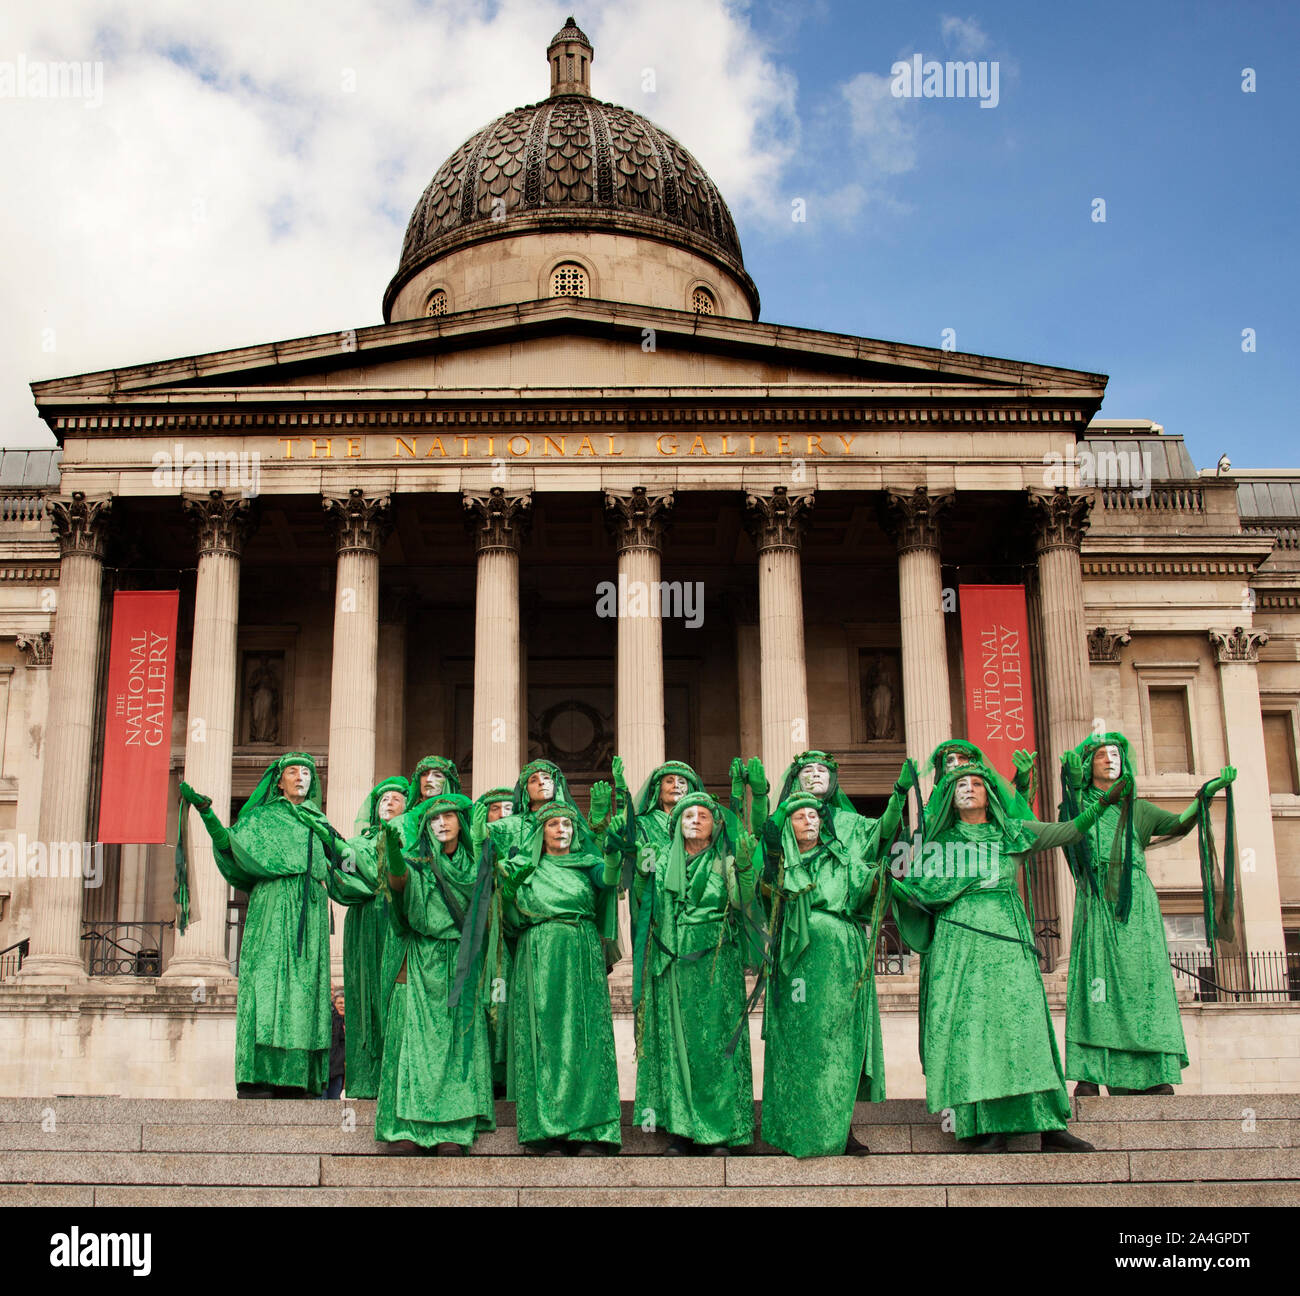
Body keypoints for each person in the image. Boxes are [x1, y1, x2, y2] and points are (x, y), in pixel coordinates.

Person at [892, 758, 1129, 1152]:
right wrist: (887, 884)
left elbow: (1067, 831)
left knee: (1025, 1028)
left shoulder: (1012, 834)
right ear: (949, 797)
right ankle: (989, 1126)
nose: (968, 788)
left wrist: (1100, 806)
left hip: (1007, 938)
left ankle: (1049, 1124)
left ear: (989, 793)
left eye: (976, 783)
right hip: (960, 946)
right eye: (959, 784)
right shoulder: (939, 845)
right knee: (975, 1034)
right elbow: (916, 894)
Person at [179, 752, 371, 1097]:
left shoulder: (318, 822)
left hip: (310, 914)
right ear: (279, 780)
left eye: (308, 772)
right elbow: (229, 846)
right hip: (272, 909)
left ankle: (297, 1079)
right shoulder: (262, 818)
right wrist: (208, 814)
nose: (302, 777)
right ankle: (259, 1077)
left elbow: (346, 864)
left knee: (305, 994)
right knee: (267, 990)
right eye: (293, 771)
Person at [1058, 732, 1238, 1097]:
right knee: (1097, 987)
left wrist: (1206, 794)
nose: (1111, 759)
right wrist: (1072, 786)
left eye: (1116, 754)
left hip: (1137, 903)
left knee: (1145, 987)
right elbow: (1068, 829)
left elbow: (1178, 825)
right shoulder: (1079, 807)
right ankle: (1090, 1074)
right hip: (1099, 902)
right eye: (1103, 755)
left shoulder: (1138, 809)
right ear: (1089, 765)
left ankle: (1152, 1074)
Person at [757, 766, 911, 1157]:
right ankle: (793, 1130)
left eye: (814, 815)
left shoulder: (842, 861)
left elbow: (870, 884)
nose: (809, 820)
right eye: (800, 815)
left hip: (840, 964)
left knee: (837, 1047)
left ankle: (842, 1129)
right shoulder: (778, 867)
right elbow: (763, 898)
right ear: (788, 825)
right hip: (795, 968)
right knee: (798, 1046)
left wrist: (887, 874)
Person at [632, 791, 761, 1155]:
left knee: (716, 1049)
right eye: (689, 815)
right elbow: (645, 903)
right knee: (678, 1047)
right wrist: (638, 869)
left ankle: (720, 1131)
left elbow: (741, 902)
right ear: (676, 825)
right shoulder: (660, 867)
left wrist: (747, 870)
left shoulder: (727, 863)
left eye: (703, 816)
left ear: (715, 826)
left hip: (717, 964)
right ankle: (683, 1130)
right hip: (673, 965)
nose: (695, 821)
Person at [497, 796, 622, 1155]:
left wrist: (611, 850)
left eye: (567, 824)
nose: (562, 829)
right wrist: (508, 888)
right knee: (544, 1039)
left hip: (581, 952)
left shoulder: (587, 864)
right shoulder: (523, 867)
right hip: (538, 953)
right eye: (554, 824)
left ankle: (591, 1131)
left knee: (586, 1038)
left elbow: (609, 878)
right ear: (541, 832)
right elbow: (509, 920)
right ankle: (546, 1130)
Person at [373, 792, 496, 1156]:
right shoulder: (417, 864)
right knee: (414, 1044)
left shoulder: (478, 866)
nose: (441, 823)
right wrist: (394, 856)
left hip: (462, 960)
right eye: (433, 819)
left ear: (462, 822)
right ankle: (405, 1129)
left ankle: (453, 1130)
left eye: (448, 816)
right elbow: (399, 887)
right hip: (422, 959)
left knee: (458, 1044)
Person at [336, 776, 409, 1099]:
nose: (388, 803)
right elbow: (344, 876)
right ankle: (368, 1079)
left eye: (395, 798)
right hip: (365, 925)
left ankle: (397, 1078)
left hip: (397, 922)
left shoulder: (411, 840)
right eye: (383, 799)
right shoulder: (358, 843)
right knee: (366, 997)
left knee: (393, 996)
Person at [326, 989, 346, 1099]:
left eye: (344, 1003)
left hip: (339, 1070)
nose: (343, 1006)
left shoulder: (348, 1023)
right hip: (331, 1068)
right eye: (340, 1003)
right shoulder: (332, 1019)